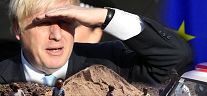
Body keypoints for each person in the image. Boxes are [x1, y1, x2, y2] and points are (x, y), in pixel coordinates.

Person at [0, 0, 192, 86]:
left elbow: (175, 56)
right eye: (43, 23)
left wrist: (105, 16)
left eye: (65, 21)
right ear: (17, 29)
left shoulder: (110, 61)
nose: (56, 35)